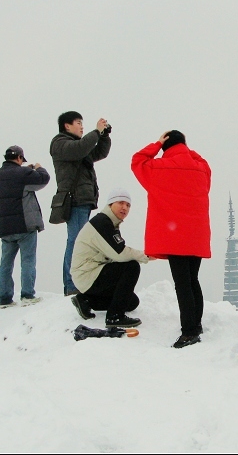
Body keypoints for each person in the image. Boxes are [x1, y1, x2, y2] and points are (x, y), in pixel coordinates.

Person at [131, 130, 212, 349]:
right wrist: (185, 148)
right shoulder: (201, 169)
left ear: (166, 145)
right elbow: (201, 160)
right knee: (193, 280)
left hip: (175, 236)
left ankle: (189, 332)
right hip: (196, 235)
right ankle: (196, 324)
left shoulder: (157, 169)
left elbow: (138, 160)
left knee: (182, 284)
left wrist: (157, 144)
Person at [70, 188, 153, 328]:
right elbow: (121, 254)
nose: (125, 208)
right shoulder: (102, 222)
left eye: (128, 205)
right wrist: (147, 255)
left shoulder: (110, 223)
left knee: (132, 302)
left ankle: (86, 301)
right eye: (120, 203)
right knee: (131, 266)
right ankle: (115, 317)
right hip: (88, 275)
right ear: (110, 204)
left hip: (93, 275)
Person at [50, 111, 112, 296]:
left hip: (83, 200)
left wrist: (104, 136)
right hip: (74, 199)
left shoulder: (77, 146)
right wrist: (96, 131)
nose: (81, 126)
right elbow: (80, 148)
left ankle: (74, 283)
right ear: (67, 126)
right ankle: (71, 284)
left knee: (79, 241)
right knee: (76, 241)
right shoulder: (60, 143)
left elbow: (99, 152)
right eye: (78, 123)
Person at [0, 145, 51, 308]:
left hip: (5, 227)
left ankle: (4, 297)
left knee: (6, 262)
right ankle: (27, 294)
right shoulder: (23, 173)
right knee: (28, 260)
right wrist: (39, 168)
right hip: (25, 224)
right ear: (19, 158)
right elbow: (43, 179)